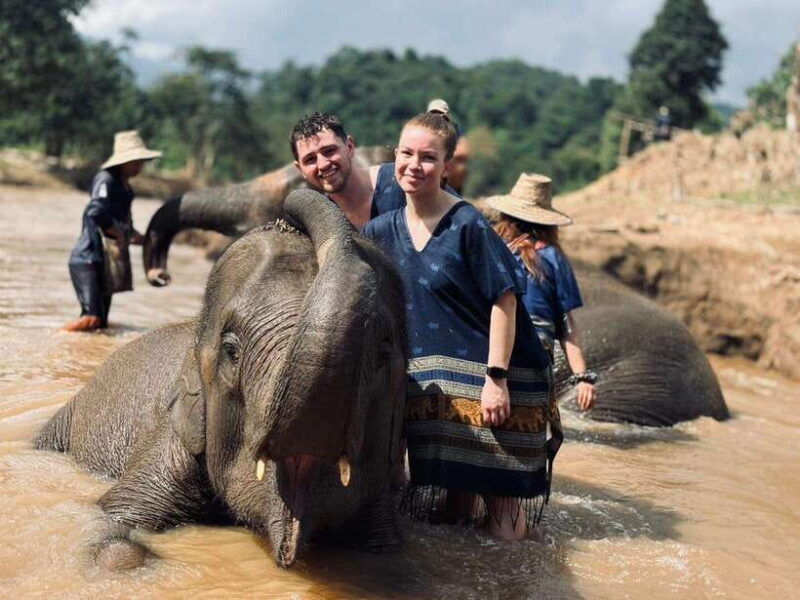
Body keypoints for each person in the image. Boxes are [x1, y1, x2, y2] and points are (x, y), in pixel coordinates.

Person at [364, 113, 559, 541]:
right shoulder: (379, 231)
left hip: (492, 381)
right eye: (407, 153)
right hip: (435, 390)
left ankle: (513, 583)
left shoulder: (467, 224)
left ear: (448, 167)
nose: (414, 165)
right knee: (454, 514)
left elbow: (504, 300)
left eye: (428, 157)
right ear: (393, 157)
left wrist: (496, 379)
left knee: (501, 513)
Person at [487, 174, 597, 411]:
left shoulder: (490, 247)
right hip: (533, 359)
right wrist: (582, 377)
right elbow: (566, 324)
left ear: (505, 214)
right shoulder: (552, 258)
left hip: (486, 353)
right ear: (549, 224)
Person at [290, 111, 460, 230]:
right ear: (300, 169)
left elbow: (463, 221)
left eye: (329, 151)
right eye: (310, 159)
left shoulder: (405, 180)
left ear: (349, 147)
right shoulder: (321, 220)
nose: (323, 164)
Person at [63, 131, 161, 332]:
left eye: (141, 161)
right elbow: (95, 211)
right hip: (88, 259)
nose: (139, 166)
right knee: (92, 319)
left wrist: (145, 239)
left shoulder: (126, 188)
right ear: (123, 161)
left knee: (101, 326)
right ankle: (54, 339)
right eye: (136, 161)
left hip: (105, 263)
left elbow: (126, 226)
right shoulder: (105, 179)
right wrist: (118, 234)